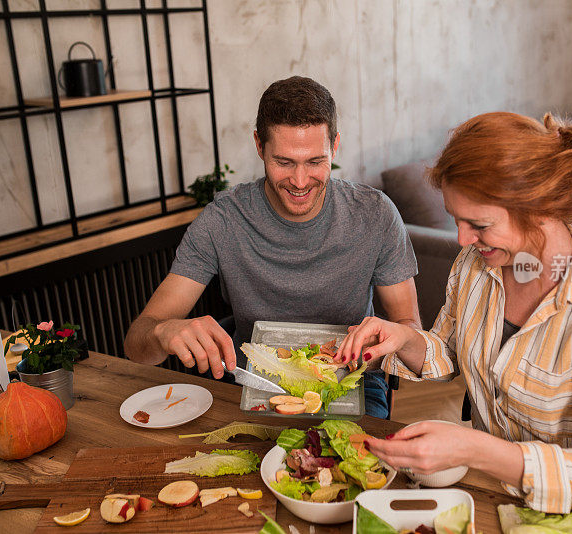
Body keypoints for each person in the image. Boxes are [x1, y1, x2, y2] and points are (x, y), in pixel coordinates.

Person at [335, 112, 572, 512]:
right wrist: (404, 338)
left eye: (479, 225)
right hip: (496, 492)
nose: (462, 238)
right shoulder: (475, 264)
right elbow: (449, 352)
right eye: (457, 220)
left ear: (538, 207)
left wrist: (473, 446)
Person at [124, 76, 420, 419]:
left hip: (352, 382)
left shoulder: (375, 214)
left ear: (335, 146)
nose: (299, 181)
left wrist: (388, 342)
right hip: (253, 383)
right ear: (259, 146)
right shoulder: (222, 220)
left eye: (314, 161)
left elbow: (409, 329)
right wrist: (163, 331)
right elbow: (137, 346)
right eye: (283, 162)